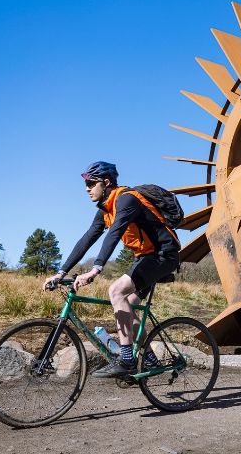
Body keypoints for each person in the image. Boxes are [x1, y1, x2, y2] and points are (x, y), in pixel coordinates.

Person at [44, 161, 180, 378]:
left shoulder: (127, 199)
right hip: (145, 257)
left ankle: (127, 359)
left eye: (91, 183)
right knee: (128, 304)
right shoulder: (105, 209)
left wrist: (95, 269)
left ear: (106, 183)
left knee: (116, 291)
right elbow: (87, 239)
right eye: (86, 184)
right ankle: (150, 360)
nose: (87, 188)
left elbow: (114, 234)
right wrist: (61, 272)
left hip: (164, 254)